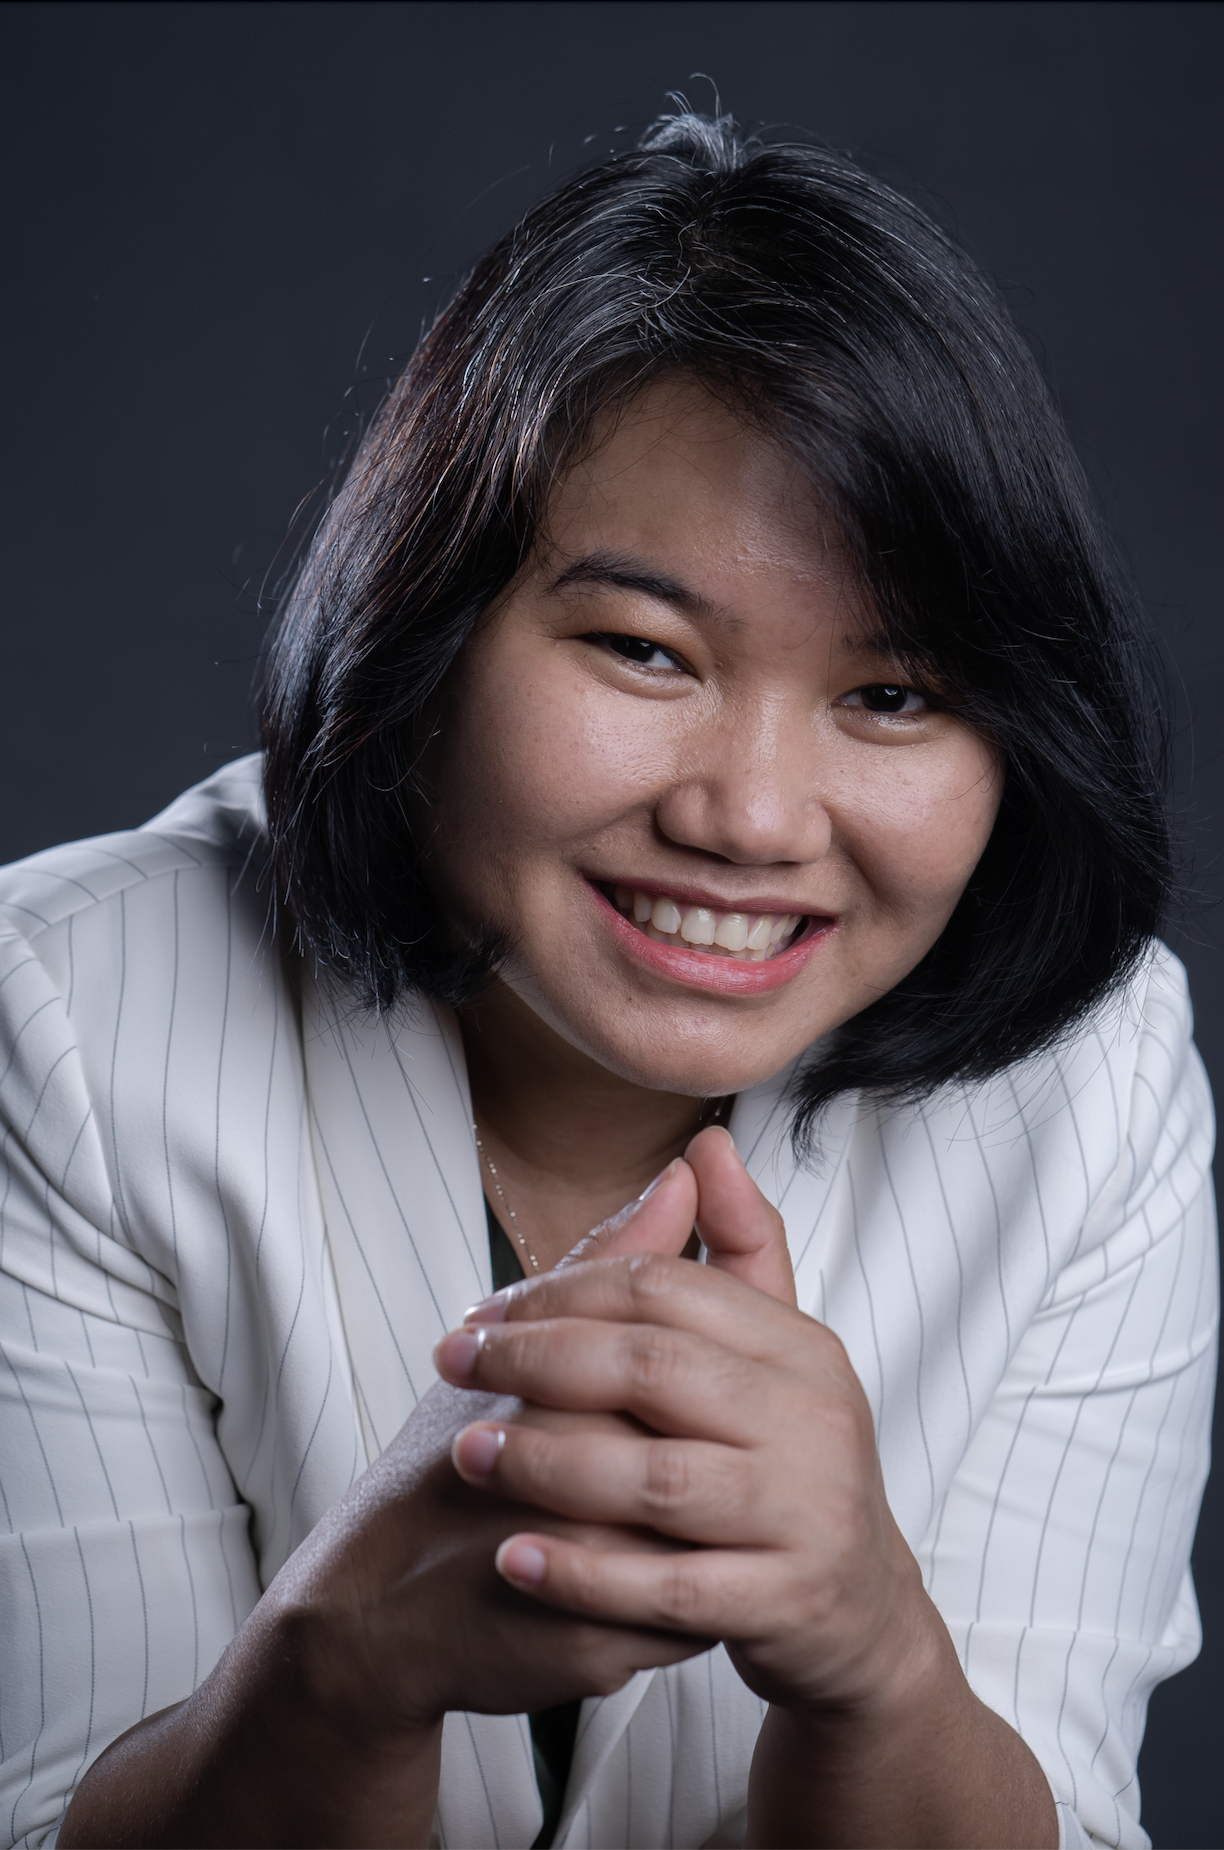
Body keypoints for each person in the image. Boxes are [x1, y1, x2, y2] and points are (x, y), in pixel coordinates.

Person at [0, 111, 1214, 1850]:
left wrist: (878, 1658)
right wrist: (341, 1670)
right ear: (427, 631)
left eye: (892, 697)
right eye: (645, 650)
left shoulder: (1096, 1084)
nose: (748, 815)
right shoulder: (58, 1018)